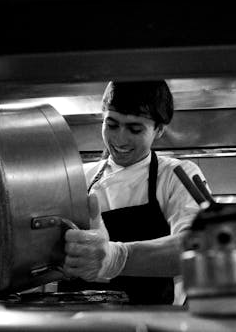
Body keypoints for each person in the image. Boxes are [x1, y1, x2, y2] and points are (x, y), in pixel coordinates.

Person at [60, 80, 209, 305]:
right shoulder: (76, 179)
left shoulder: (176, 174)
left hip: (153, 323)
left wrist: (116, 258)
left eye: (135, 129)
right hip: (79, 322)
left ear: (159, 129)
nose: (120, 138)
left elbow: (198, 247)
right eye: (111, 125)